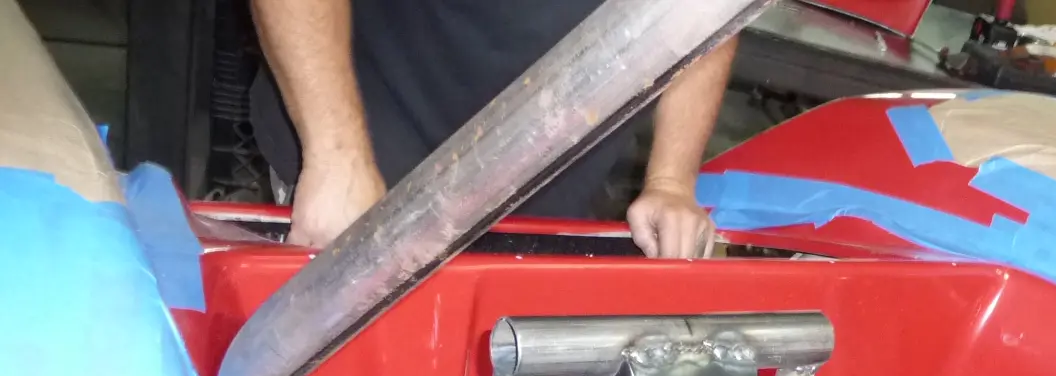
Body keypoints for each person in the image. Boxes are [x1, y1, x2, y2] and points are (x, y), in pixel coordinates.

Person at [248, 0, 735, 256]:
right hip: (365, 171)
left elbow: (706, 8)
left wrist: (672, 180)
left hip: (542, 208)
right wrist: (337, 158)